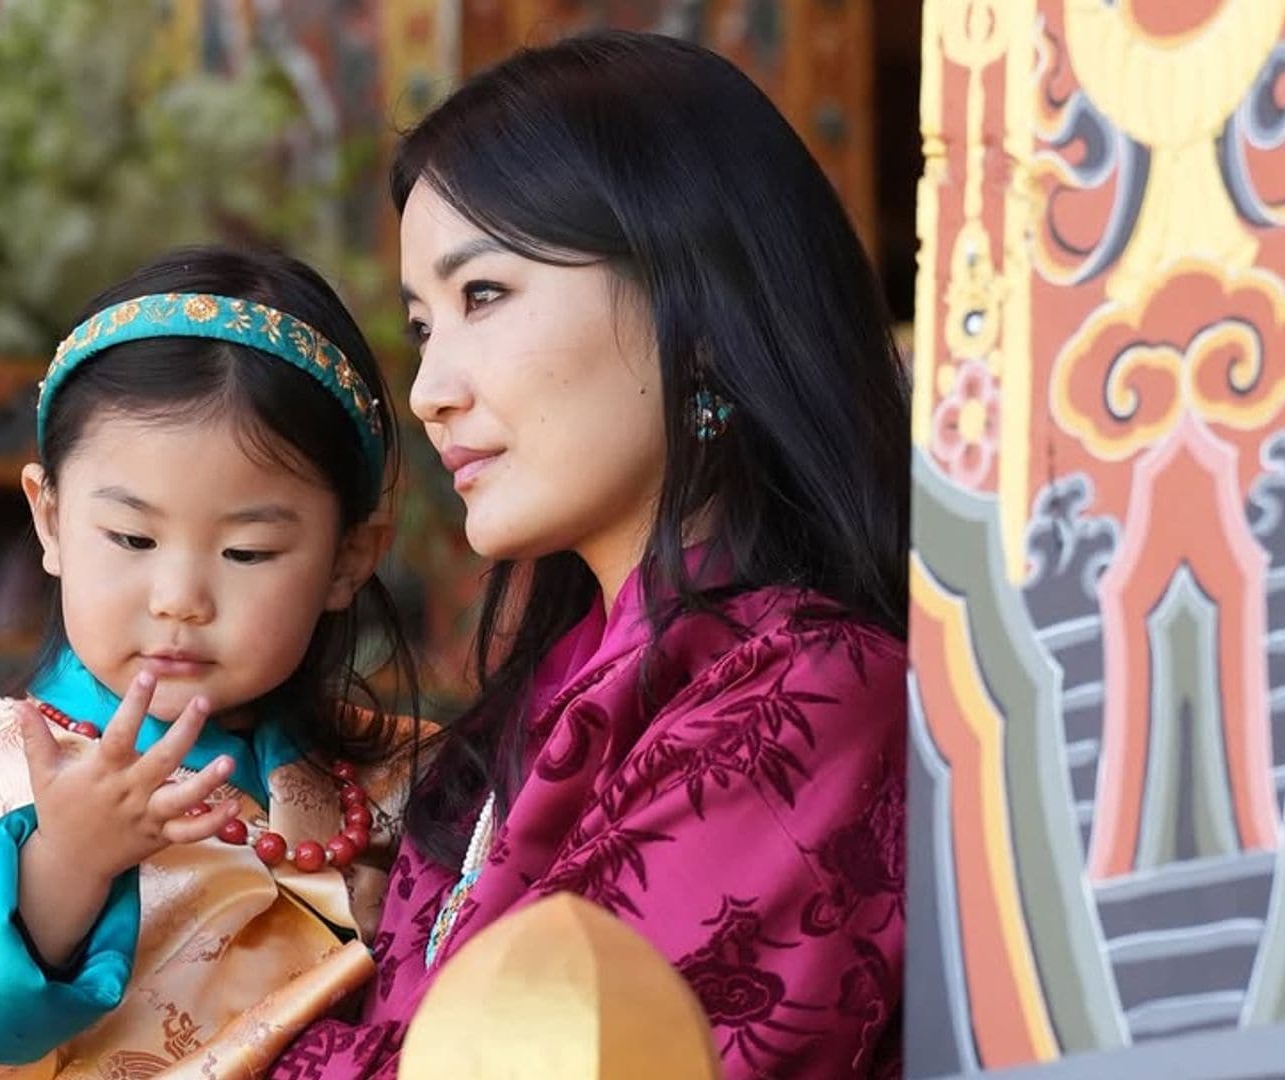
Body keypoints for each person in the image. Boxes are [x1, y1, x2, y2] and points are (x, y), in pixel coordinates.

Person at [273, 30, 910, 1078]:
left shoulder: (815, 698)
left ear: (693, 308)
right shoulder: (527, 715)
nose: (431, 390)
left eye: (482, 296)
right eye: (423, 327)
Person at [0, 247, 421, 1078]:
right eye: (133, 538)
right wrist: (62, 866)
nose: (179, 597)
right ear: (51, 519)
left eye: (248, 551)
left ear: (350, 559)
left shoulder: (406, 779)